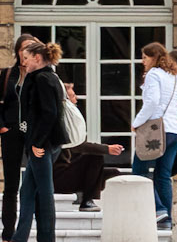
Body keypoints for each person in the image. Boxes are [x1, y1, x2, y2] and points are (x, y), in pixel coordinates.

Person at [0, 39, 66, 242]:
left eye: (25, 58)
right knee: (28, 191)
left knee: (43, 192)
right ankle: (28, 240)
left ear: (37, 58)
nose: (23, 62)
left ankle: (39, 241)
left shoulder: (43, 79)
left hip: (42, 144)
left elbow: (49, 114)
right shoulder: (45, 77)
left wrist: (37, 143)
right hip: (41, 142)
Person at [50, 74, 125, 210]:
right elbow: (78, 146)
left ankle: (117, 209)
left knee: (114, 173)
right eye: (72, 96)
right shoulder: (60, 121)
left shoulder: (66, 120)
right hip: (57, 178)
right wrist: (106, 149)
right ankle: (87, 201)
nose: (76, 99)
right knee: (94, 157)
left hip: (66, 173)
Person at [131, 41, 177, 232]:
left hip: (155, 129)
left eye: (145, 57)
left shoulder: (154, 74)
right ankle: (166, 219)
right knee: (163, 175)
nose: (143, 62)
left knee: (139, 171)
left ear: (154, 57)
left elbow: (152, 102)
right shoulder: (174, 76)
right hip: (174, 129)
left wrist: (137, 122)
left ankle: (158, 209)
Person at [0, 36, 28, 242]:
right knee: (11, 186)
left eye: (31, 48)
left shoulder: (41, 75)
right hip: (11, 133)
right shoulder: (8, 75)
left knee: (33, 187)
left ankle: (30, 237)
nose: (27, 53)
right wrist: (2, 127)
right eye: (24, 48)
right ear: (17, 51)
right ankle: (7, 237)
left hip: (34, 134)